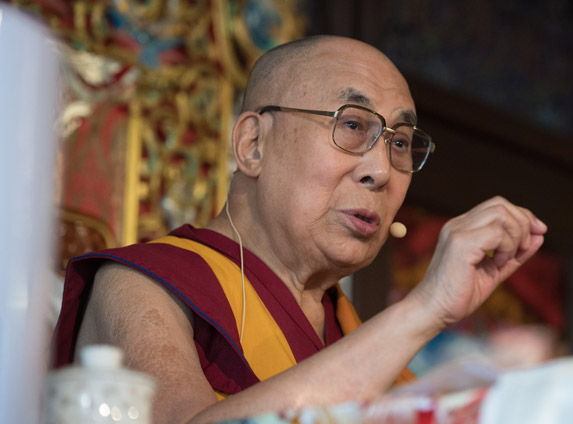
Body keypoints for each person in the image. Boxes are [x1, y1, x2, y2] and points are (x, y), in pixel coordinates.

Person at [51, 35, 547, 424]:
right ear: (252, 145)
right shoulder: (144, 284)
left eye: (399, 142)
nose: (381, 169)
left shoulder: (349, 332)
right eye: (352, 125)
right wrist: (426, 308)